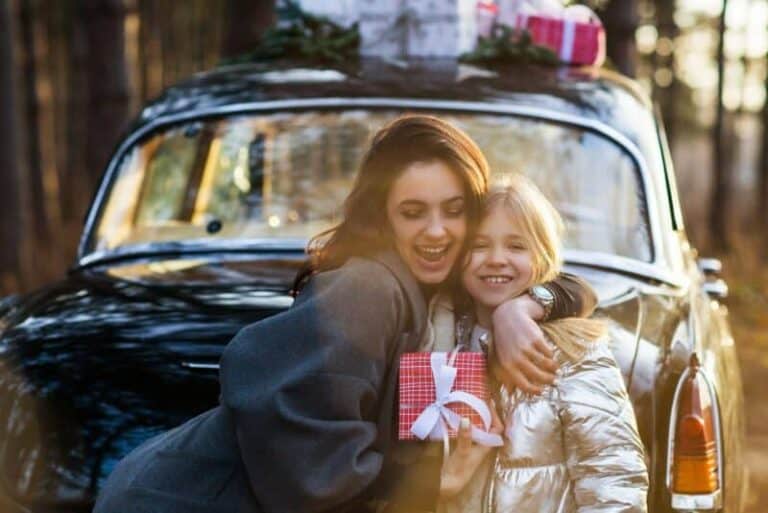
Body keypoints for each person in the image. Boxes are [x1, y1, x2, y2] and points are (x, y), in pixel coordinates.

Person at [94, 116, 597, 513]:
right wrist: (429, 483)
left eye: (455, 209)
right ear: (383, 215)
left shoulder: (449, 284)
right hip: (185, 499)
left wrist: (524, 307)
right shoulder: (367, 287)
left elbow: (580, 290)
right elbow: (290, 421)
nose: (438, 231)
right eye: (413, 211)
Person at [434, 176, 648, 513]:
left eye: (516, 246)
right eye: (478, 245)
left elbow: (613, 482)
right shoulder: (440, 340)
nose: (496, 259)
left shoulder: (576, 353)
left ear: (542, 256)